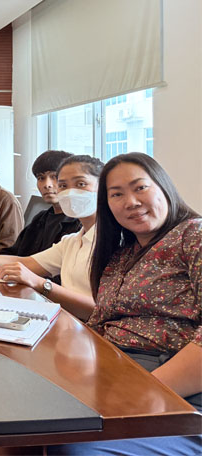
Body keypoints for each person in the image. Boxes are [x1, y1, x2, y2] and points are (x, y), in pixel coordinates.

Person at [49, 153, 201, 454]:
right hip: (117, 374)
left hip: (178, 391)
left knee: (76, 448)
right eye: (117, 194)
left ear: (163, 187)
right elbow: (102, 318)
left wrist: (136, 392)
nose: (131, 202)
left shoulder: (193, 236)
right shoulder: (122, 253)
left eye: (140, 187)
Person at [0, 155, 103, 319]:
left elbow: (101, 310)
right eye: (64, 185)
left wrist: (40, 283)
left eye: (81, 184)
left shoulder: (112, 242)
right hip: (63, 319)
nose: (70, 192)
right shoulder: (71, 241)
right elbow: (26, 262)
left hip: (86, 327)